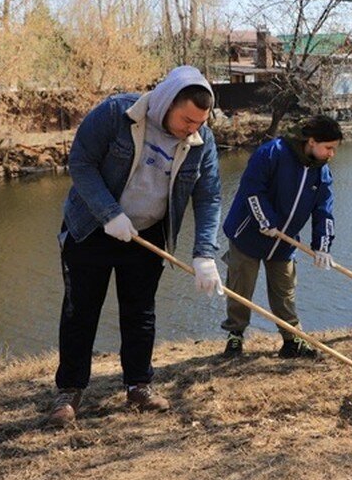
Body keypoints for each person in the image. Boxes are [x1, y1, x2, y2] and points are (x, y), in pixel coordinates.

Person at [48, 66, 223, 428]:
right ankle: (69, 390)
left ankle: (138, 385)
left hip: (146, 234)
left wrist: (205, 253)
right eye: (187, 119)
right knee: (81, 311)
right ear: (167, 102)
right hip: (92, 228)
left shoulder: (201, 141)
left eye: (199, 122)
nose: (192, 129)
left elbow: (209, 197)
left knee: (140, 312)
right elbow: (80, 163)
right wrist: (109, 213)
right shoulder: (117, 114)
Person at [219, 115, 342, 358]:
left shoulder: (322, 173)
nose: (331, 154)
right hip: (248, 234)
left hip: (284, 242)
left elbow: (324, 210)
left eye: (334, 149)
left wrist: (323, 246)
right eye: (328, 148)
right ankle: (235, 336)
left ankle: (291, 340)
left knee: (285, 292)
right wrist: (265, 220)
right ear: (312, 141)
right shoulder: (272, 153)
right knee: (240, 288)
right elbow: (252, 190)